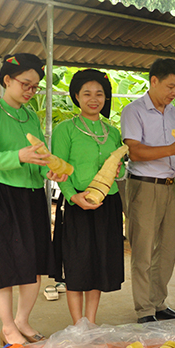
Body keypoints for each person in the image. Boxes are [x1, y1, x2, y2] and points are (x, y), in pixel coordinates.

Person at [0, 53, 67, 346]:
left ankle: (23, 320)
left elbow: (39, 156)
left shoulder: (31, 117)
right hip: (1, 194)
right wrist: (18, 156)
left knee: (33, 261)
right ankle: (7, 326)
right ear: (7, 80)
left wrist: (51, 169)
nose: (30, 91)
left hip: (31, 195)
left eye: (35, 87)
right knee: (3, 262)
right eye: (26, 83)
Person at [121, 58, 175, 323]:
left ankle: (159, 303)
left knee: (167, 249)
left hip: (169, 186)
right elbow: (135, 152)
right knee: (142, 250)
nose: (174, 92)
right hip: (143, 186)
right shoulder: (134, 111)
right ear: (154, 81)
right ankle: (144, 309)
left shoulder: (174, 113)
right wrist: (174, 150)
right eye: (170, 86)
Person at [51, 69, 125, 325]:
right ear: (76, 96)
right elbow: (59, 169)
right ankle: (77, 324)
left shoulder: (112, 132)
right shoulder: (65, 130)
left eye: (99, 94)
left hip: (108, 203)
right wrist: (73, 196)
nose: (94, 99)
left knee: (98, 265)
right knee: (77, 264)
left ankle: (90, 322)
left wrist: (119, 168)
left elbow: (121, 169)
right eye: (87, 94)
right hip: (77, 204)